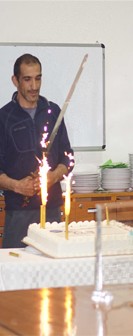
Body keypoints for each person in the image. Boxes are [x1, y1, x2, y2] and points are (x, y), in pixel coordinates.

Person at [0, 54, 74, 248]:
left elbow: (69, 157)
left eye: (38, 78)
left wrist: (53, 177)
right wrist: (17, 186)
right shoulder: (4, 118)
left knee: (54, 272)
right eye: (27, 79)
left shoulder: (54, 112)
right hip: (18, 214)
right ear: (15, 80)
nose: (34, 86)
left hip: (52, 211)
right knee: (15, 271)